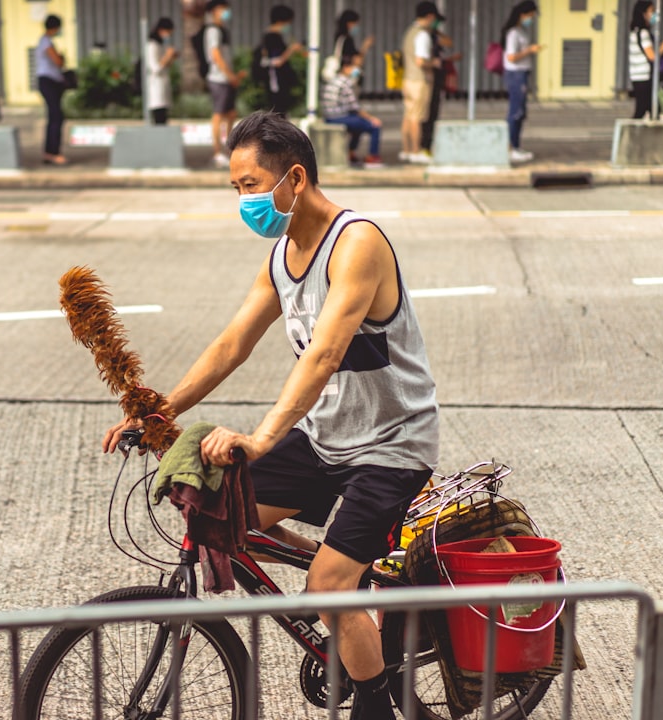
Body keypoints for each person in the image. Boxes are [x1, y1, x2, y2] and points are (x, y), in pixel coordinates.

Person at [103, 110, 438, 720]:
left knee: (328, 589)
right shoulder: (283, 256)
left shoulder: (357, 242)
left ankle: (375, 701)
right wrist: (157, 411)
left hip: (391, 445)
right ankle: (344, 575)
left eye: (251, 186)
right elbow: (233, 344)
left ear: (295, 179)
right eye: (235, 189)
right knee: (216, 511)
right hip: (325, 438)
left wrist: (259, 438)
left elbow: (326, 354)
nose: (243, 201)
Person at [323, 52, 383, 168]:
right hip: (339, 117)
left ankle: (351, 153)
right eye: (353, 67)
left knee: (358, 127)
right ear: (346, 67)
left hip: (330, 116)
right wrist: (372, 119)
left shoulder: (333, 80)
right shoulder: (345, 83)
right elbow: (355, 107)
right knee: (374, 126)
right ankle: (373, 157)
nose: (356, 70)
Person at [204, 0, 244, 168]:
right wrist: (230, 76)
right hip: (219, 78)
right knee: (219, 115)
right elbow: (215, 55)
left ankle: (228, 150)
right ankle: (217, 153)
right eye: (222, 9)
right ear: (214, 11)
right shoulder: (212, 30)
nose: (226, 12)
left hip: (226, 79)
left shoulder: (222, 30)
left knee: (230, 114)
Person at [400, 2, 441, 164]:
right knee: (417, 117)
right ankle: (416, 150)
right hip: (419, 80)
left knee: (408, 116)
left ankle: (406, 150)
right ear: (430, 16)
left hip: (407, 79)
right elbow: (421, 61)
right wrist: (434, 63)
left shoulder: (410, 32)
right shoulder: (422, 35)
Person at [502, 1, 541, 164]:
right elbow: (511, 56)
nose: (531, 19)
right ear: (522, 15)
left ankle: (516, 145)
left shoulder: (521, 31)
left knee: (520, 112)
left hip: (522, 73)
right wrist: (529, 51)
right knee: (515, 112)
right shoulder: (513, 33)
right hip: (515, 74)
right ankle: (510, 147)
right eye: (530, 16)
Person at [420, 21, 460, 155]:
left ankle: (428, 144)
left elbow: (449, 42)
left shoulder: (434, 36)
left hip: (437, 80)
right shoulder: (426, 37)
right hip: (430, 80)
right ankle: (424, 145)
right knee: (427, 114)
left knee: (433, 113)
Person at [259, 4, 304, 117]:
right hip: (275, 80)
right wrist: (291, 50)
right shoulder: (271, 37)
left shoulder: (274, 36)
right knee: (277, 110)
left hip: (280, 81)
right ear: (281, 21)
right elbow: (276, 61)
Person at [628, 0, 663, 120]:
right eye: (651, 11)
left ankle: (644, 135)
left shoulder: (634, 32)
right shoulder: (643, 33)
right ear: (643, 14)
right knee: (645, 109)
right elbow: (652, 56)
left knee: (650, 109)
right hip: (644, 76)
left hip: (637, 75)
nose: (654, 14)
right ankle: (630, 134)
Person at [35, 14, 68, 165]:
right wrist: (61, 58)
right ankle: (53, 152)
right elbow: (58, 61)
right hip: (48, 82)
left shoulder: (45, 41)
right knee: (56, 117)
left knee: (54, 117)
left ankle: (50, 152)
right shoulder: (46, 42)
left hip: (51, 82)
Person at [145, 17, 176, 125]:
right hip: (155, 87)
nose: (168, 36)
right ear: (161, 30)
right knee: (159, 118)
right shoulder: (151, 45)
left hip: (163, 86)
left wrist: (171, 58)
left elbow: (165, 66)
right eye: (168, 32)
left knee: (164, 117)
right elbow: (155, 68)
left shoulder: (160, 45)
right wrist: (167, 56)